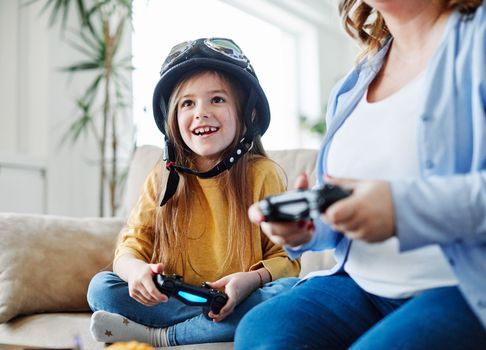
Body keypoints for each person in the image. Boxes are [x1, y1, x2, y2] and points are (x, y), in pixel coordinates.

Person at [235, 1, 486, 349]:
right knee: (262, 330)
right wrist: (307, 229)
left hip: (463, 286)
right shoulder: (354, 83)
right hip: (361, 285)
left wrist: (401, 209)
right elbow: (341, 206)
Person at [87, 38, 300, 347]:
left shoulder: (262, 174)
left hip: (238, 299)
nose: (201, 112)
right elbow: (132, 243)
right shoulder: (161, 177)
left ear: (249, 114)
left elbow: (286, 258)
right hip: (174, 298)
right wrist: (136, 272)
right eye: (187, 103)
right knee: (101, 287)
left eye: (217, 99)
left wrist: (251, 280)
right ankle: (199, 329)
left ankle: (159, 337)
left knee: (288, 293)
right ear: (172, 118)